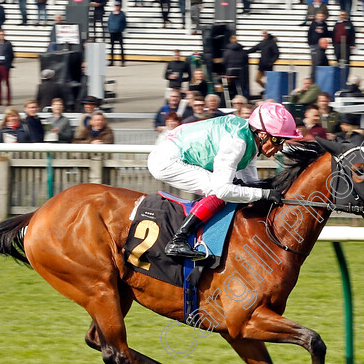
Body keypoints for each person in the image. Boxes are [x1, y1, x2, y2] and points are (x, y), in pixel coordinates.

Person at [146, 102, 301, 259]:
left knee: (239, 190)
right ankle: (178, 240)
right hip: (167, 160)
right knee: (219, 191)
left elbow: (251, 183)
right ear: (262, 134)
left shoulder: (250, 140)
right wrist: (264, 194)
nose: (280, 147)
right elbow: (223, 190)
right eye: (278, 140)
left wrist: (267, 195)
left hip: (177, 152)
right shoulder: (237, 143)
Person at [0, 30, 14, 106]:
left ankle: (8, 100)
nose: (0, 36)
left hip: (5, 65)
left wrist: (8, 64)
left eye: (2, 34)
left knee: (7, 83)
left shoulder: (8, 44)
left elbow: (12, 55)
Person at [108, 3, 127, 67]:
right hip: (112, 32)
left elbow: (124, 23)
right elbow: (109, 22)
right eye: (116, 6)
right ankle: (111, 61)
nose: (117, 7)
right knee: (112, 48)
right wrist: (110, 29)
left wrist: (121, 29)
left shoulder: (122, 14)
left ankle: (122, 61)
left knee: (121, 47)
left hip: (119, 32)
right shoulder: (111, 13)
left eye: (118, 6)